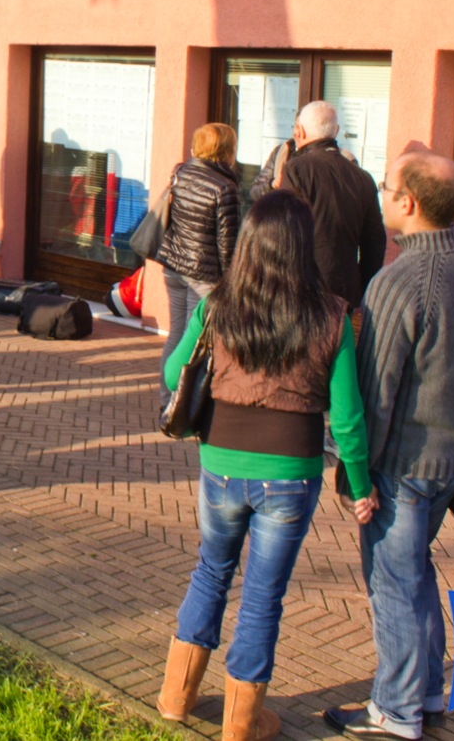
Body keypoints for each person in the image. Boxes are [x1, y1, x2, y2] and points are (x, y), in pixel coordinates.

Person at [157, 190, 370, 741]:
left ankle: (176, 697)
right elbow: (347, 418)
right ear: (303, 247)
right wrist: (360, 485)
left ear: (248, 242)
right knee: (261, 595)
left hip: (221, 461)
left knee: (211, 570)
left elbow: (175, 373)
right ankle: (241, 722)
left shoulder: (218, 306)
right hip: (291, 472)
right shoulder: (332, 316)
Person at [322, 149, 454, 741]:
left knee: (394, 584)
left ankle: (396, 710)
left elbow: (375, 392)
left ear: (407, 202)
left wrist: (355, 476)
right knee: (414, 571)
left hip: (403, 465)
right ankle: (426, 693)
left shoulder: (397, 281)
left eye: (386, 187)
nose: (381, 196)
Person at [155, 123, 242, 405]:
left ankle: (167, 399)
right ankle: (185, 404)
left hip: (174, 267)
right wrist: (230, 282)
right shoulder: (225, 188)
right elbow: (227, 244)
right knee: (195, 341)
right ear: (227, 150)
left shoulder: (179, 173)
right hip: (203, 274)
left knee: (176, 334)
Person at [273, 101, 387, 311]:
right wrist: (362, 290)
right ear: (336, 131)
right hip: (345, 293)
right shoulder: (363, 177)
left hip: (302, 289)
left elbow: (283, 233)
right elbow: (375, 244)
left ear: (301, 131)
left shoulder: (296, 170)